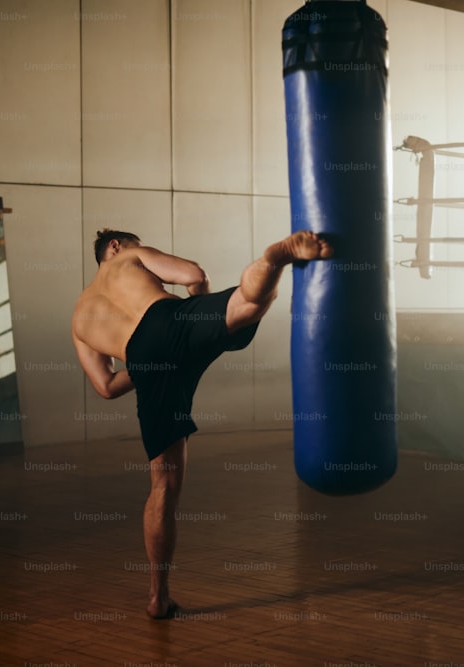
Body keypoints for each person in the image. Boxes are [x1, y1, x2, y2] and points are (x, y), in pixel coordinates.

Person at [71, 228, 332, 618]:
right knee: (249, 305)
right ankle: (275, 259)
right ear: (114, 246)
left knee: (163, 486)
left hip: (141, 361)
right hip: (169, 319)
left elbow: (107, 386)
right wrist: (201, 319)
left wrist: (146, 368)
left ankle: (158, 597)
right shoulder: (129, 256)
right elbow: (193, 274)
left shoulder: (78, 318)